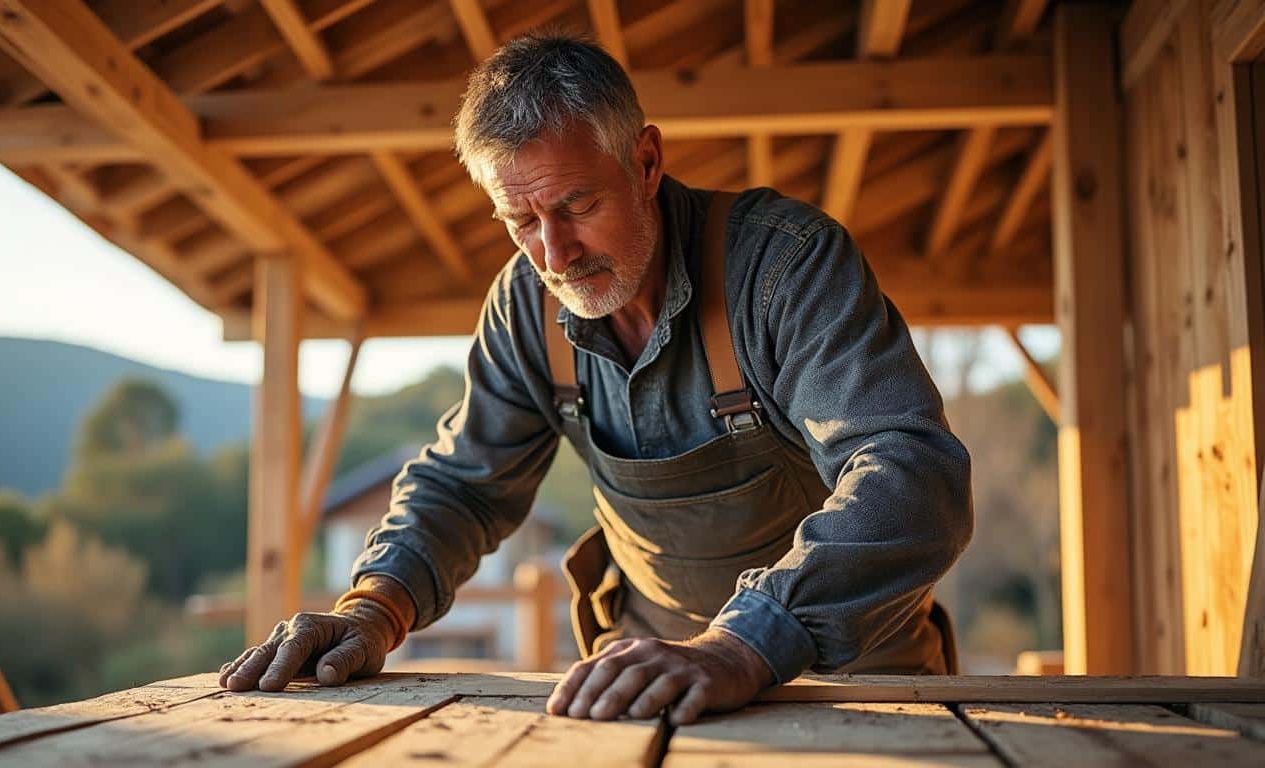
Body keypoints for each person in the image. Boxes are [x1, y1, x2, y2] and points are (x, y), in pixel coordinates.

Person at [219, 31, 973, 727]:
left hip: (856, 678)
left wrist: (745, 644)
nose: (554, 255)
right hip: (644, 681)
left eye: (576, 205)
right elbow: (463, 485)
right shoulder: (525, 304)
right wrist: (372, 608)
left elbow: (911, 473)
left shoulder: (784, 268)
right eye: (520, 221)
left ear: (645, 162)